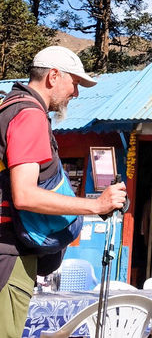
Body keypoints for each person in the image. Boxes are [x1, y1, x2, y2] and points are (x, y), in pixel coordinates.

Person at [0, 46, 127, 338]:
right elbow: (25, 195)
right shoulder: (29, 115)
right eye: (75, 83)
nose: (76, 93)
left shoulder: (8, 108)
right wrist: (97, 205)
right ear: (54, 76)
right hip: (9, 255)